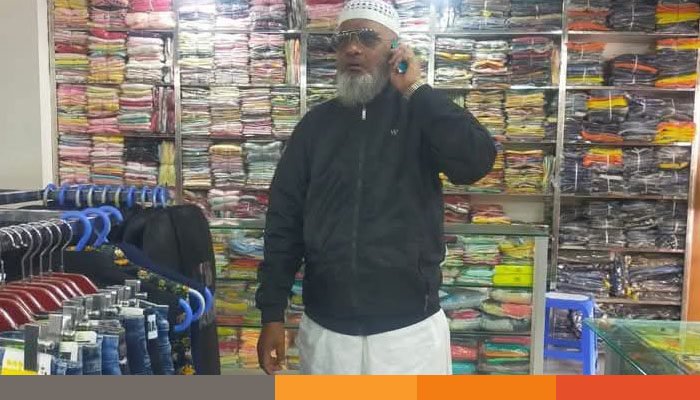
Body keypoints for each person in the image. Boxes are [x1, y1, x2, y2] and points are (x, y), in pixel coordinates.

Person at [255, 0, 496, 375]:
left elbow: (476, 161)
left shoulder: (419, 115)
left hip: (409, 334)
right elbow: (284, 220)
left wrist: (415, 88)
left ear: (395, 49)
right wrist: (272, 312)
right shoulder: (315, 127)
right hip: (327, 332)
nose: (353, 48)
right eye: (344, 39)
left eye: (367, 38)